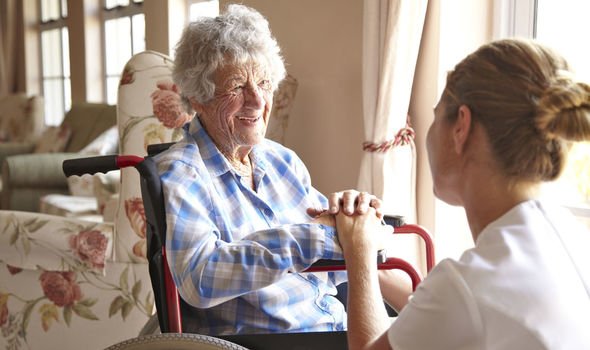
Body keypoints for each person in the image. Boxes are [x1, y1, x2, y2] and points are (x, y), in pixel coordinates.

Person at [335, 38, 590, 349]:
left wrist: (359, 253)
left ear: (461, 127)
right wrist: (379, 272)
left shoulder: (468, 284)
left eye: (436, 114)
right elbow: (456, 316)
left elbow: (461, 303)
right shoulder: (565, 235)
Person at [155, 4, 389, 336]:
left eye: (264, 83)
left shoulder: (282, 161)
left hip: (335, 327)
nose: (257, 100)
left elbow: (335, 257)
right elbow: (200, 277)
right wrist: (319, 238)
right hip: (279, 343)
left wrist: (356, 220)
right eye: (237, 87)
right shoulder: (182, 173)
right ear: (198, 98)